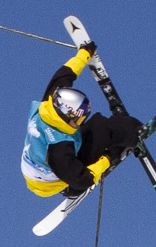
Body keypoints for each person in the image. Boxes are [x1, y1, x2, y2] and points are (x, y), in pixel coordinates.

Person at [19, 42, 144, 198]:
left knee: (97, 124)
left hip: (34, 164)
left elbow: (65, 74)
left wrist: (84, 54)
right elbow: (83, 180)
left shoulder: (50, 103)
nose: (81, 123)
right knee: (102, 130)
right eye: (78, 120)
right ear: (66, 116)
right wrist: (107, 158)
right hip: (51, 181)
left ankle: (121, 128)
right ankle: (130, 130)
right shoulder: (60, 149)